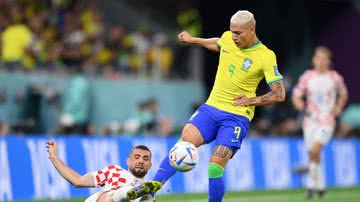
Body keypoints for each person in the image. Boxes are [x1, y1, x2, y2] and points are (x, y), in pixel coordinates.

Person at [127, 10, 286, 202]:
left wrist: (252, 100)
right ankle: (149, 192)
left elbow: (279, 94)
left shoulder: (266, 56)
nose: (234, 37)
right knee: (182, 144)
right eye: (232, 31)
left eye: (239, 33)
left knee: (214, 167)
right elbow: (218, 42)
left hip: (236, 117)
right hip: (211, 109)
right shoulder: (229, 38)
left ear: (251, 29)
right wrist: (193, 39)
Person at [292, 46, 348, 199]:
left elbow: (343, 94)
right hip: (310, 122)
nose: (321, 61)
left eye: (324, 58)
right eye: (318, 58)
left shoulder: (334, 77)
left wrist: (338, 108)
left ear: (329, 61)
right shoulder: (307, 77)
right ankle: (321, 187)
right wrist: (301, 106)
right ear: (313, 60)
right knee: (313, 153)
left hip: (326, 122)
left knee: (315, 149)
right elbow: (296, 95)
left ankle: (310, 185)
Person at [46, 141, 155, 202]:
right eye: (136, 157)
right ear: (128, 160)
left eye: (145, 159)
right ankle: (124, 194)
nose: (141, 161)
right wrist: (54, 157)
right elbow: (78, 181)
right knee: (109, 196)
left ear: (150, 165)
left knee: (146, 198)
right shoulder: (114, 171)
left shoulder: (148, 192)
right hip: (99, 200)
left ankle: (124, 194)